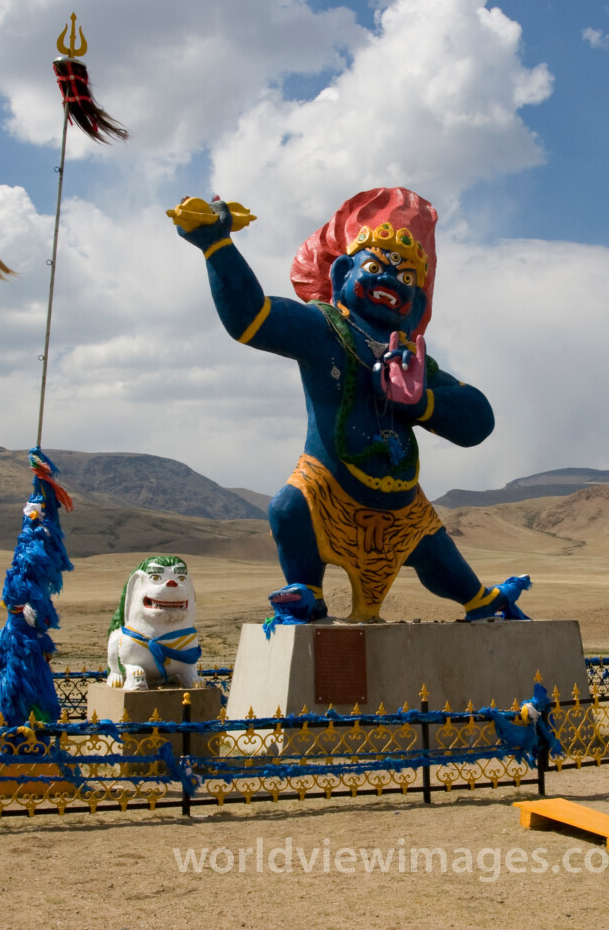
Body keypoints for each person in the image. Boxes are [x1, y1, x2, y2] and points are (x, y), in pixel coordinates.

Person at [173, 188, 530, 625]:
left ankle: (482, 601)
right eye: (376, 268)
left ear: (415, 303)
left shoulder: (414, 360)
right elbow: (252, 319)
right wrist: (218, 245)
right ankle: (308, 594)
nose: (389, 282)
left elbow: (479, 420)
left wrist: (421, 401)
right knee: (288, 510)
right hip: (328, 490)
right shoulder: (323, 328)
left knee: (439, 559)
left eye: (405, 279)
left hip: (404, 509)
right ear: (343, 271)